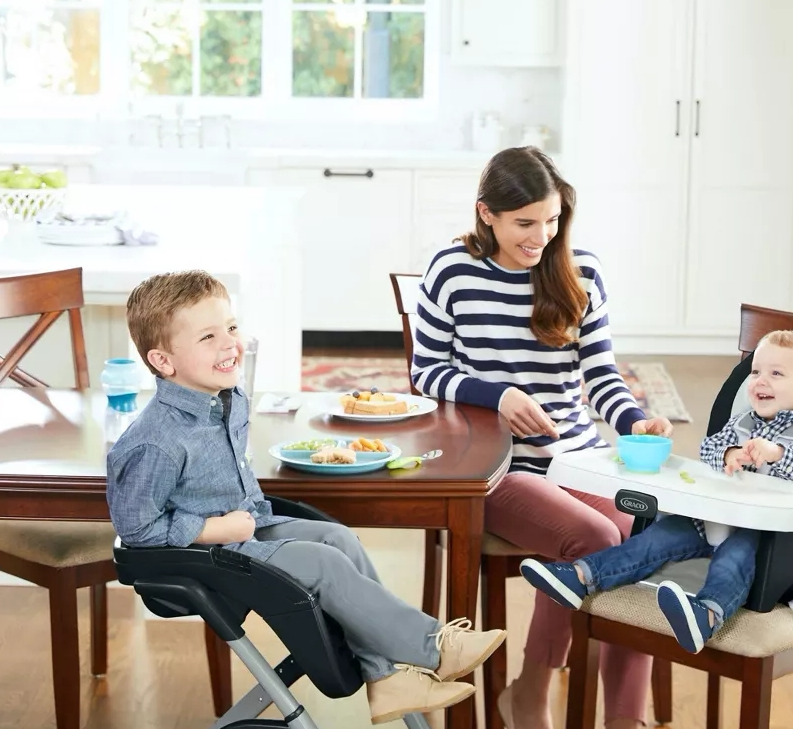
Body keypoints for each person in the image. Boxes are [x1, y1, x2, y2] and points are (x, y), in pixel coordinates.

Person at [106, 269, 507, 725]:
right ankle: (433, 646)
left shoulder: (226, 398)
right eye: (208, 336)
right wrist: (214, 529)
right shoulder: (154, 440)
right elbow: (136, 528)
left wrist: (239, 521)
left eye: (232, 328)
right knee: (324, 564)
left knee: (339, 540)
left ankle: (385, 677)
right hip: (209, 553)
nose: (229, 343)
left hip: (248, 526)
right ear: (163, 361)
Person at [411, 146, 672, 729]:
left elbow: (602, 377)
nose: (541, 236)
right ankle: (530, 693)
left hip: (578, 460)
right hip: (494, 468)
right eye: (525, 223)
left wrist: (634, 422)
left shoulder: (582, 272)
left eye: (551, 221)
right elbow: (425, 374)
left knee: (647, 542)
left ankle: (624, 719)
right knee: (598, 537)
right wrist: (497, 396)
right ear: (488, 215)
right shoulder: (452, 271)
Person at [520, 330, 793, 653]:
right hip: (712, 517)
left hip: (761, 534)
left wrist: (778, 455)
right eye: (756, 372)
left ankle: (707, 615)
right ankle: (580, 577)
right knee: (654, 538)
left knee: (734, 559)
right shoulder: (744, 422)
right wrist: (728, 454)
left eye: (776, 374)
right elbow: (709, 449)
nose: (760, 381)